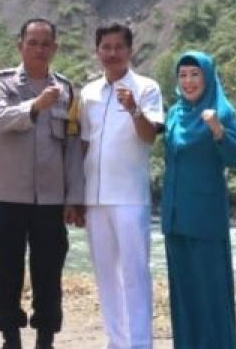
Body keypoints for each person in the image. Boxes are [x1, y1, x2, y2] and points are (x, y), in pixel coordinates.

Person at [0, 18, 85, 349]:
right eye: (33, 42)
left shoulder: (67, 90)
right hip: (8, 195)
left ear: (55, 48)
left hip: (51, 200)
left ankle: (45, 337)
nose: (39, 49)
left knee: (48, 271)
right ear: (20, 46)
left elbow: (72, 147)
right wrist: (34, 106)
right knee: (7, 268)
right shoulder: (1, 83)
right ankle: (10, 336)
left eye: (46, 43)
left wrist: (74, 196)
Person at [78, 22, 163, 349]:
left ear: (130, 50)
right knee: (105, 275)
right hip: (95, 197)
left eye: (118, 47)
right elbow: (84, 144)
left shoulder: (146, 88)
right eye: (106, 47)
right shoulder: (88, 93)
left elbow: (149, 136)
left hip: (129, 196)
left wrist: (133, 110)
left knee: (135, 272)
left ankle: (140, 343)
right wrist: (77, 195)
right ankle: (116, 341)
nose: (112, 53)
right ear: (98, 51)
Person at [160, 51, 236, 349]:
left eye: (195, 74)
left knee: (211, 292)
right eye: (182, 75)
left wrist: (218, 131)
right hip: (174, 217)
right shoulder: (173, 113)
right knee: (183, 294)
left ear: (207, 77)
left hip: (206, 218)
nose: (188, 81)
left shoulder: (221, 111)